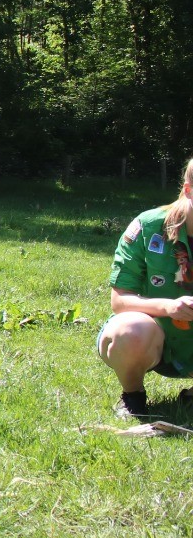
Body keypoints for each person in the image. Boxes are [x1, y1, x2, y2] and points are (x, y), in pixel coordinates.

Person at [98, 158, 193, 419]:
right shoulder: (148, 227)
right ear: (188, 190)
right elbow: (120, 301)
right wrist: (168, 307)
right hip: (155, 338)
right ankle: (133, 397)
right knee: (130, 329)